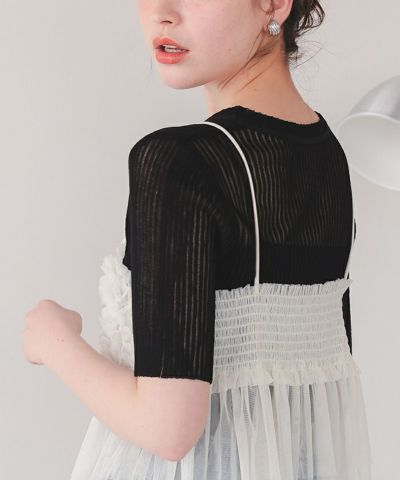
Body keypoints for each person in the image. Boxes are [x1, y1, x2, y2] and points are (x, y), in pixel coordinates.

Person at [71, 1, 373, 478]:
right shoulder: (329, 157)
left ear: (273, 3)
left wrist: (56, 341)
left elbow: (168, 430)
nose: (162, 13)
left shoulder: (178, 163)